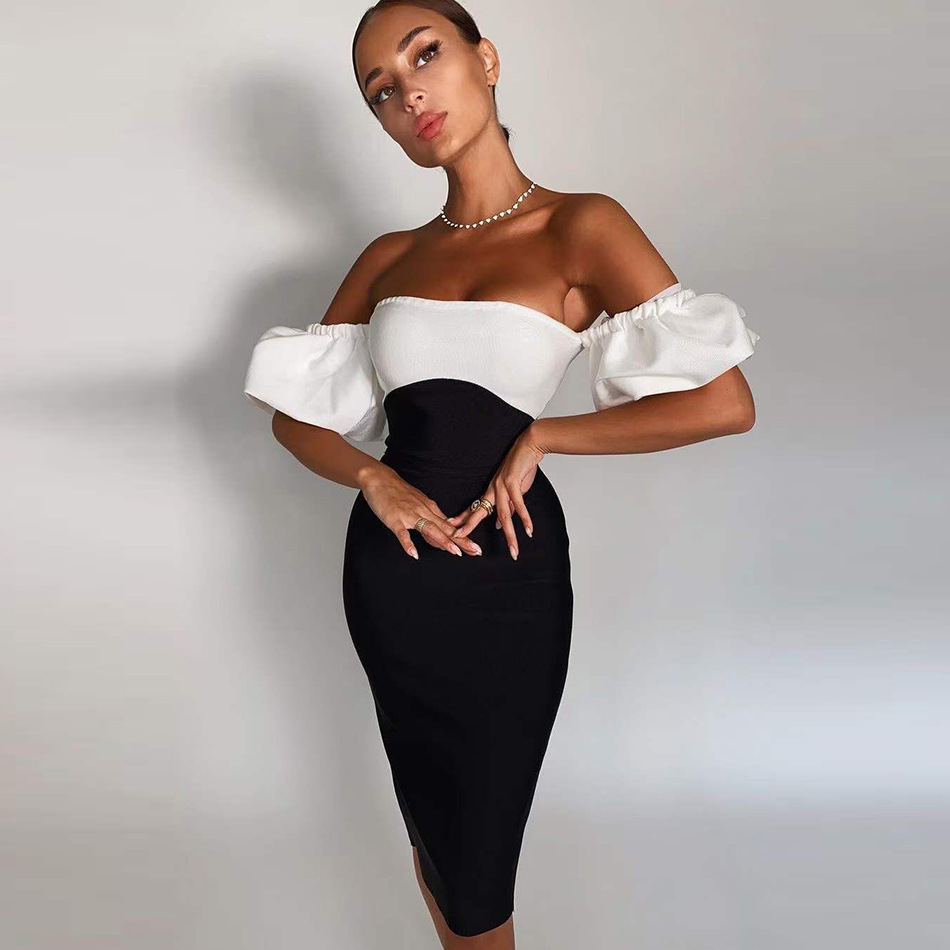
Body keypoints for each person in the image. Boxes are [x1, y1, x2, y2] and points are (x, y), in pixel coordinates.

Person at [243, 1, 760, 945]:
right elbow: (295, 419)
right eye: (380, 91)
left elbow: (724, 403)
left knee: (480, 848)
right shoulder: (389, 257)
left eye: (425, 56)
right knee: (437, 827)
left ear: (485, 59)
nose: (409, 96)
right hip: (394, 572)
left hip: (509, 571)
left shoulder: (583, 225)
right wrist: (373, 480)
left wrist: (546, 437)